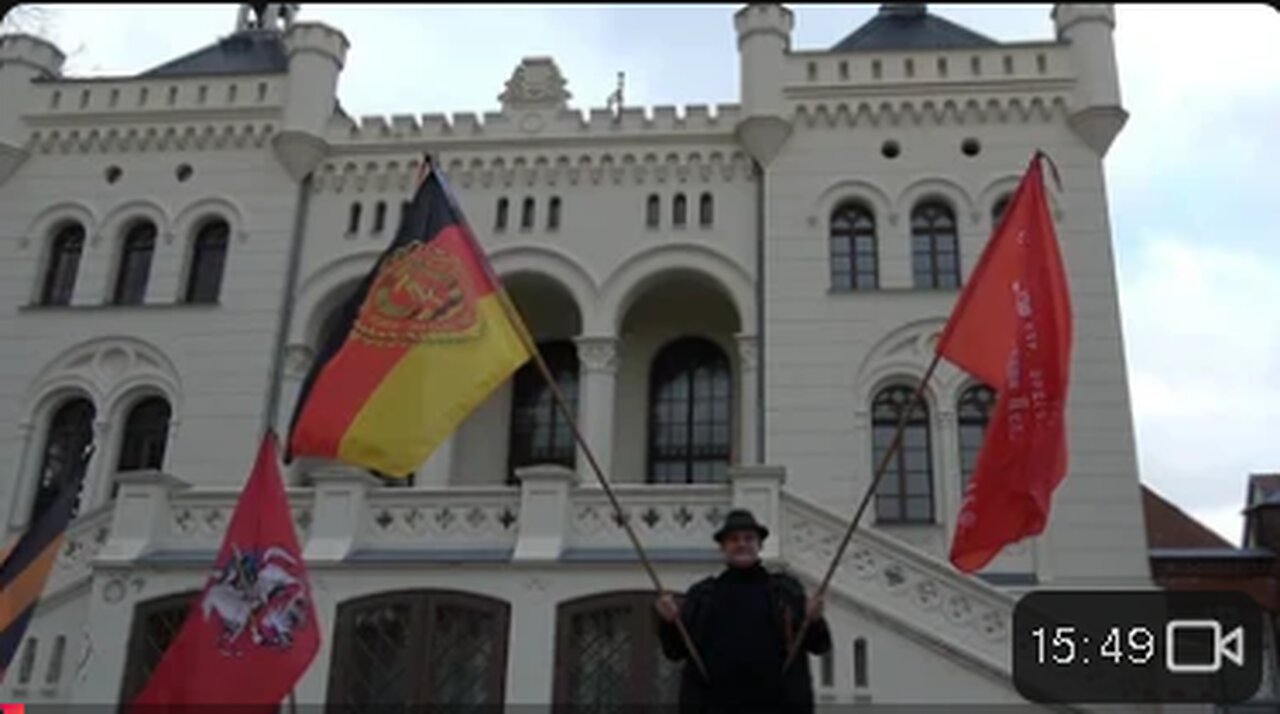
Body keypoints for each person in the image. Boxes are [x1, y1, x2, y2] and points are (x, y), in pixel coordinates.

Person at [654, 509, 832, 713]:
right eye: (733, 539)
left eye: (749, 538)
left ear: (760, 545)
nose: (741, 544)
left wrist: (815, 620)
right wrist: (668, 622)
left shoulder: (786, 591)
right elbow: (675, 651)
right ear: (723, 547)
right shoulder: (703, 595)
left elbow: (819, 644)